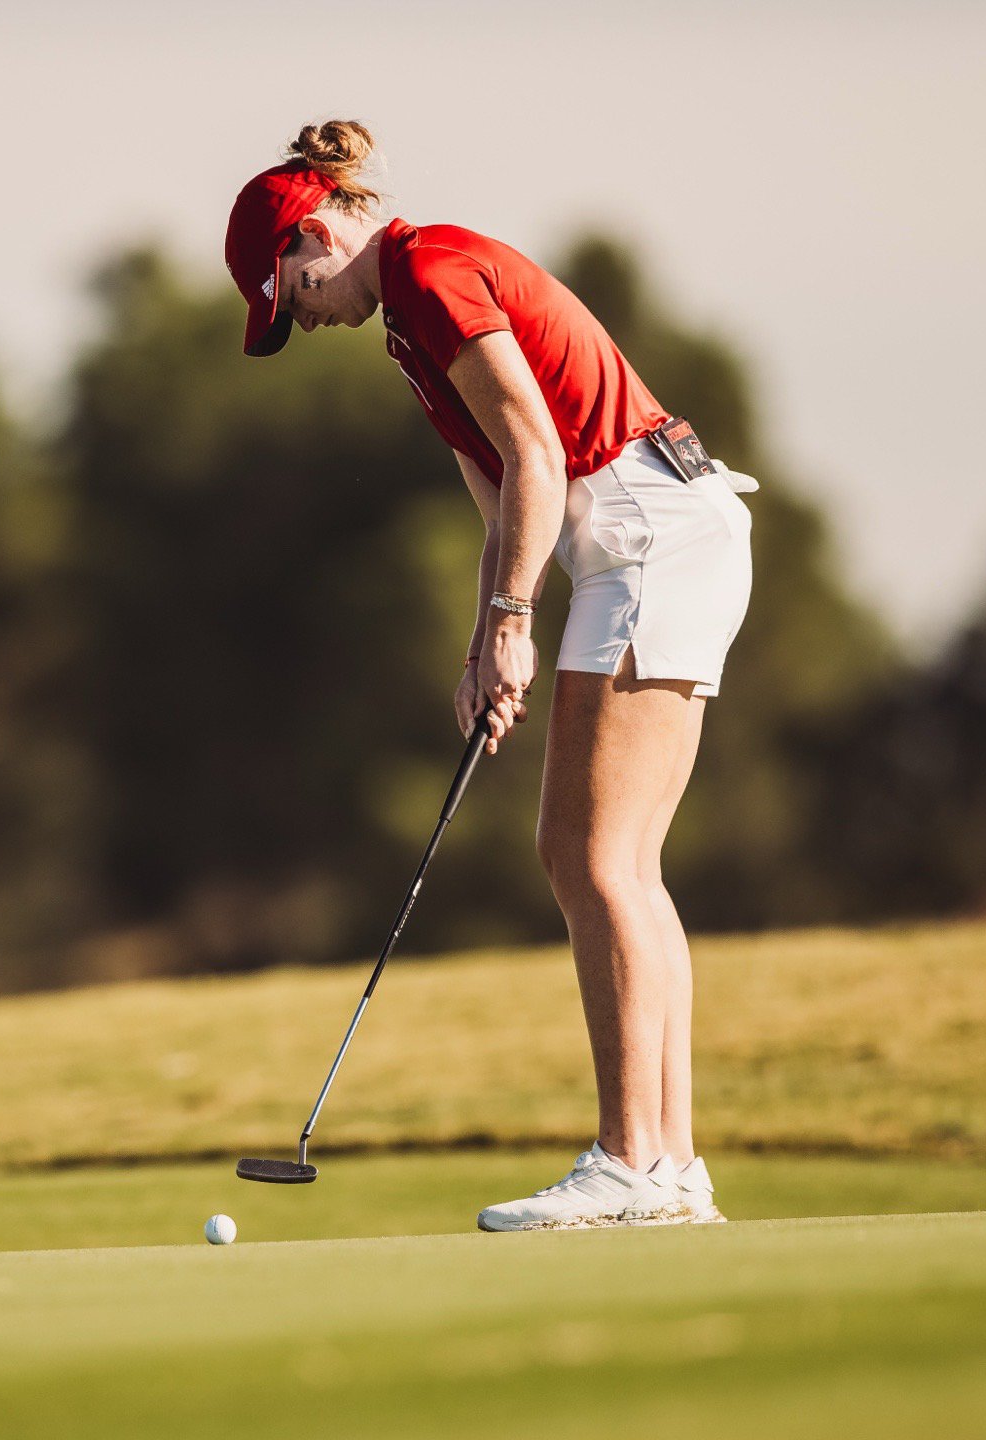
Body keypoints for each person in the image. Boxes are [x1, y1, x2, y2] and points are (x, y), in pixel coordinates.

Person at [224, 120, 756, 1230]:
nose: (301, 320)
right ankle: (668, 1168)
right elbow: (498, 485)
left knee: (587, 851)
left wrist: (519, 617)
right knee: (623, 863)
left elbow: (541, 456)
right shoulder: (405, 328)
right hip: (652, 537)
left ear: (313, 234)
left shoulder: (425, 268)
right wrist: (487, 644)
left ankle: (629, 1161)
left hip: (650, 533)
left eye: (289, 295)